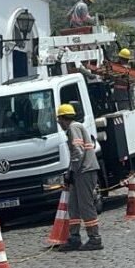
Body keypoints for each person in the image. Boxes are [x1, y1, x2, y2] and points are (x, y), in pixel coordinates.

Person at [56, 103, 102, 251]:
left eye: (59, 121)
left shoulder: (73, 128)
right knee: (73, 205)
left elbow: (78, 152)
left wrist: (71, 172)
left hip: (84, 171)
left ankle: (95, 238)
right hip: (81, 171)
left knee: (85, 205)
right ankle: (74, 237)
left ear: (63, 119)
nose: (59, 124)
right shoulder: (77, 127)